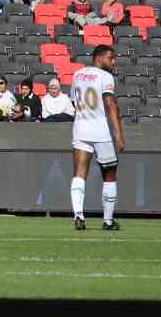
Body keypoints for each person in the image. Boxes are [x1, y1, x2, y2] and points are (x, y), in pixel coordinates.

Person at [70, 45, 123, 231]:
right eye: (110, 57)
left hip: (80, 130)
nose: (113, 61)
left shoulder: (77, 75)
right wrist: (119, 135)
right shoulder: (105, 77)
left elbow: (73, 103)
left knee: (79, 173)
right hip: (102, 133)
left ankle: (78, 215)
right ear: (98, 58)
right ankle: (108, 221)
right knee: (109, 175)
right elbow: (110, 104)